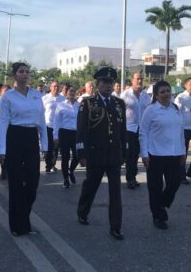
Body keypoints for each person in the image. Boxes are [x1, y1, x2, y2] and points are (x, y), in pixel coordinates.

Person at [76, 67, 127, 240]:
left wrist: (124, 151)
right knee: (91, 185)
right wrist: (81, 152)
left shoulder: (119, 103)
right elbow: (81, 130)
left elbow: (123, 130)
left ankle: (116, 226)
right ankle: (83, 211)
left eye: (111, 82)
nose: (108, 85)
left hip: (113, 155)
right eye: (104, 82)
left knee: (115, 192)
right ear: (98, 84)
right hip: (95, 153)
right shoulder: (88, 103)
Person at [0, 62, 48, 236]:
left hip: (31, 137)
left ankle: (24, 219)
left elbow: (41, 120)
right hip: (14, 137)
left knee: (33, 182)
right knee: (16, 183)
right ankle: (17, 226)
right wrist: (2, 150)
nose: (25, 74)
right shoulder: (8, 96)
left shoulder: (36, 94)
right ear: (14, 76)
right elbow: (3, 122)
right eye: (21, 71)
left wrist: (45, 144)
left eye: (27, 71)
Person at [139, 80, 185, 230]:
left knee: (175, 182)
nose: (166, 94)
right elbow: (143, 132)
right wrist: (144, 153)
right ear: (156, 95)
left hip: (174, 153)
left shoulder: (175, 108)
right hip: (155, 154)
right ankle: (157, 216)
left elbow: (180, 132)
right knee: (155, 188)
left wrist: (183, 151)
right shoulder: (151, 110)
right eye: (162, 92)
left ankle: (161, 204)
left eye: (168, 91)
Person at [120, 72, 151, 189]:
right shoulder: (125, 95)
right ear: (132, 80)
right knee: (131, 154)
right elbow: (120, 113)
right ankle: (130, 178)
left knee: (138, 153)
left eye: (141, 79)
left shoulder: (146, 96)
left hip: (142, 129)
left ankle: (133, 176)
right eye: (137, 79)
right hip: (129, 129)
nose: (140, 81)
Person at [53, 85, 80, 188]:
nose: (72, 93)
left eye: (74, 91)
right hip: (64, 133)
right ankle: (65, 179)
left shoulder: (79, 105)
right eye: (70, 91)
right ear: (66, 93)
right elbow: (57, 122)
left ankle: (71, 170)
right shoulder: (61, 105)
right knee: (65, 157)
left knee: (78, 155)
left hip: (76, 133)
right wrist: (55, 136)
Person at [174, 77, 191, 184]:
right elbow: (176, 113)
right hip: (183, 128)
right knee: (183, 152)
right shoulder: (181, 97)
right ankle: (181, 175)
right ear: (186, 85)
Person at [42, 80, 65, 173]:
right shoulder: (45, 98)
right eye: (54, 86)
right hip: (48, 125)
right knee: (49, 146)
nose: (56, 88)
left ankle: (53, 164)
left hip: (59, 126)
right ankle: (48, 165)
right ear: (50, 88)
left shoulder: (63, 98)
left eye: (57, 86)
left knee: (57, 146)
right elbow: (41, 112)